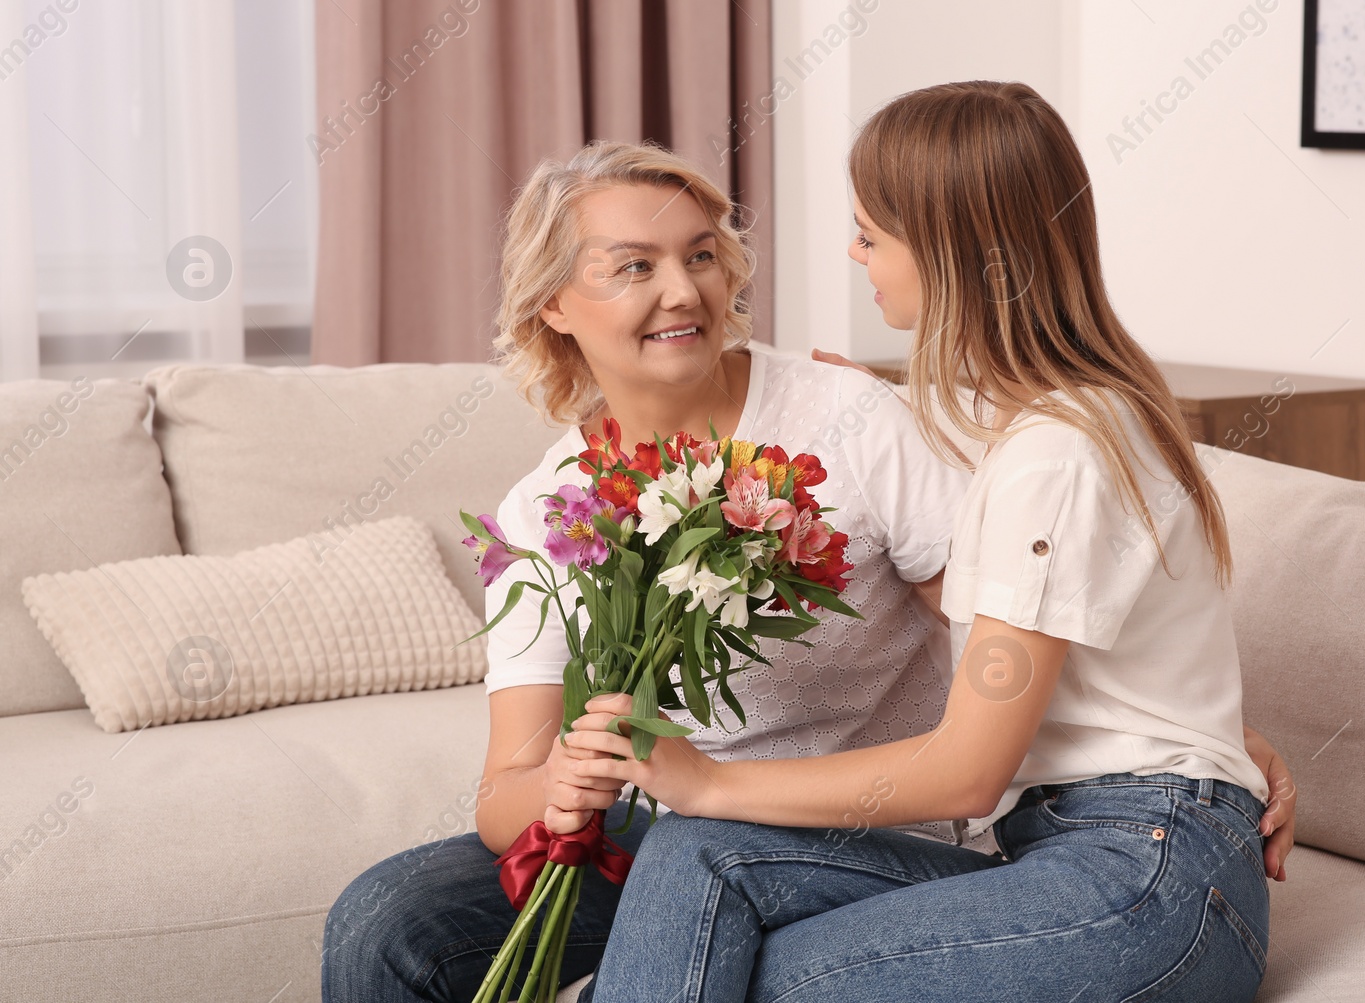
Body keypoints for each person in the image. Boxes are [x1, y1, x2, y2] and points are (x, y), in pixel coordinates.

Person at [320, 137, 1298, 1002]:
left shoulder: (847, 416)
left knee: (700, 870)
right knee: (384, 920)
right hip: (677, 822)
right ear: (553, 305)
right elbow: (504, 793)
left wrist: (1211, 731)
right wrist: (564, 786)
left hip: (857, 832)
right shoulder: (549, 508)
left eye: (701, 255)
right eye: (633, 266)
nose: (682, 290)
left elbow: (1016, 628)